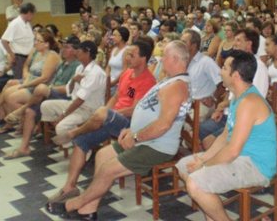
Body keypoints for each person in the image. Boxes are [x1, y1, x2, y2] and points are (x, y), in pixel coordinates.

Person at [45, 41, 192, 220]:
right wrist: (131, 129)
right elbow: (150, 113)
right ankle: (88, 211)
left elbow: (163, 125)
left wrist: (136, 137)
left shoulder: (177, 86)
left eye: (164, 56)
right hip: (145, 138)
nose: (160, 59)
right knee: (102, 155)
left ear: (175, 59)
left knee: (107, 170)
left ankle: (73, 204)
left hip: (156, 146)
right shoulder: (169, 81)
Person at [47, 42, 157, 202]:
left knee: (102, 114)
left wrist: (108, 113)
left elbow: (134, 110)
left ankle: (73, 132)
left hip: (130, 124)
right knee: (80, 142)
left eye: (132, 55)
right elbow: (117, 97)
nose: (127, 58)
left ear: (143, 59)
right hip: (114, 119)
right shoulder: (127, 74)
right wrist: (105, 112)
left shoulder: (148, 81)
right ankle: (69, 187)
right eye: (128, 54)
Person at [176, 50, 277, 221]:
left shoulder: (249, 102)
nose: (220, 71)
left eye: (224, 68)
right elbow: (224, 137)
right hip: (240, 159)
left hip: (255, 165)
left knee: (195, 183)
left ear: (235, 75)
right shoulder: (238, 97)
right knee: (184, 165)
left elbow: (232, 151)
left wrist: (205, 166)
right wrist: (203, 159)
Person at [3, 37, 81, 159]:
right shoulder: (61, 64)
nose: (63, 49)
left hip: (66, 98)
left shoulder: (78, 66)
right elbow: (54, 82)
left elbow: (69, 88)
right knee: (30, 111)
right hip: (53, 95)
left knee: (41, 88)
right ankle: (24, 148)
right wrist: (51, 88)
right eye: (63, 46)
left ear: (76, 50)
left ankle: (21, 109)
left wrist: (51, 89)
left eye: (67, 47)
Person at [41, 41, 106, 148]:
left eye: (79, 51)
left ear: (87, 53)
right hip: (75, 105)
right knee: (45, 105)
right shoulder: (79, 68)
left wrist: (63, 115)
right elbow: (70, 90)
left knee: (61, 128)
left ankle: (82, 146)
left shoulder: (95, 73)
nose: (76, 53)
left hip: (89, 110)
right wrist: (74, 80)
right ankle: (75, 137)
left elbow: (81, 99)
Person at [0, 29, 62, 134]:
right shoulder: (38, 53)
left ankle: (30, 122)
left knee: (12, 97)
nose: (35, 43)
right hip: (32, 82)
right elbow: (26, 66)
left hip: (41, 87)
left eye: (38, 41)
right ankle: (25, 122)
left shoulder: (52, 55)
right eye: (35, 40)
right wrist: (26, 77)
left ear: (46, 44)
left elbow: (44, 78)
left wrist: (26, 85)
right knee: (8, 92)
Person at [181, 29, 223, 122]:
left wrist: (213, 98)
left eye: (184, 42)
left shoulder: (206, 62)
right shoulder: (182, 61)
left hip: (201, 105)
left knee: (186, 127)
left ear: (193, 45)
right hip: (184, 103)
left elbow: (222, 83)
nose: (180, 45)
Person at [1, 2, 36, 79]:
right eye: (33, 14)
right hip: (19, 57)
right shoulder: (15, 24)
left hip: (28, 56)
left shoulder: (27, 24)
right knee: (19, 80)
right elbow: (4, 40)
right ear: (29, 13)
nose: (33, 16)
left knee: (27, 79)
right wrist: (12, 54)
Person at [106, 26, 129, 95]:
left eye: (115, 35)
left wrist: (112, 83)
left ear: (121, 37)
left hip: (118, 84)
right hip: (110, 81)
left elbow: (125, 70)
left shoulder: (126, 51)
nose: (112, 37)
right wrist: (107, 79)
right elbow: (108, 67)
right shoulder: (114, 49)